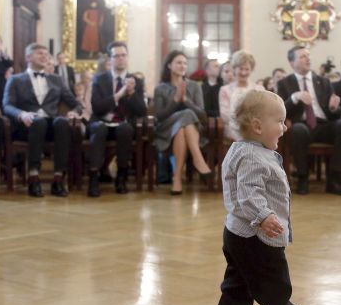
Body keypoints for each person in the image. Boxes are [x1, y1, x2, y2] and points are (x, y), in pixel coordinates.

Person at [214, 89, 307, 305]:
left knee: (239, 277)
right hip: (256, 236)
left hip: (236, 233)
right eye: (279, 122)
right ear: (257, 126)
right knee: (275, 281)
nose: (284, 127)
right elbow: (248, 193)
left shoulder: (239, 149)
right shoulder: (253, 157)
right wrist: (264, 216)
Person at [3, 43, 81, 198]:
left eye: (46, 54)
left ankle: (58, 178)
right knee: (38, 122)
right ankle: (33, 177)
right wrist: (22, 114)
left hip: (51, 126)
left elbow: (76, 104)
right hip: (26, 126)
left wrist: (74, 112)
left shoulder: (57, 79)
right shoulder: (15, 80)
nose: (44, 56)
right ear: (28, 57)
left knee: (62, 122)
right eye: (40, 53)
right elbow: (7, 106)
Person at [277, 46, 341, 196]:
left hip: (323, 125)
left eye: (308, 56)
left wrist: (333, 108)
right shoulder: (284, 83)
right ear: (292, 62)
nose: (308, 59)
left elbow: (334, 114)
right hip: (301, 125)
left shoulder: (323, 81)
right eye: (303, 56)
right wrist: (294, 98)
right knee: (298, 129)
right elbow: (280, 111)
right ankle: (303, 177)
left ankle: (334, 179)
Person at [87, 41, 147, 197]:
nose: (120, 58)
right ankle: (94, 178)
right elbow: (97, 108)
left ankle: (121, 178)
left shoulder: (137, 81)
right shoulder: (99, 79)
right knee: (99, 129)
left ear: (127, 57)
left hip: (123, 124)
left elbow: (142, 111)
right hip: (102, 121)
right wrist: (119, 95)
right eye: (116, 56)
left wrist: (132, 93)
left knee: (125, 129)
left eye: (123, 55)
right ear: (110, 59)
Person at [154, 50, 212, 194]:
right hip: (166, 130)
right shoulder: (160, 88)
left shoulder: (194, 86)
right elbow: (159, 116)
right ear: (169, 65)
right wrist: (175, 100)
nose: (183, 66)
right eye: (179, 62)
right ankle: (198, 159)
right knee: (186, 114)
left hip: (192, 131)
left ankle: (177, 179)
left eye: (185, 63)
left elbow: (202, 115)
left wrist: (186, 100)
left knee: (181, 129)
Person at [219, 51, 263, 141]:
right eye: (241, 69)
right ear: (234, 69)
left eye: (247, 69)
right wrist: (244, 123)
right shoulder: (225, 90)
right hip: (233, 128)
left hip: (255, 127)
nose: (243, 72)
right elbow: (225, 115)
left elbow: (262, 112)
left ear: (251, 70)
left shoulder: (259, 89)